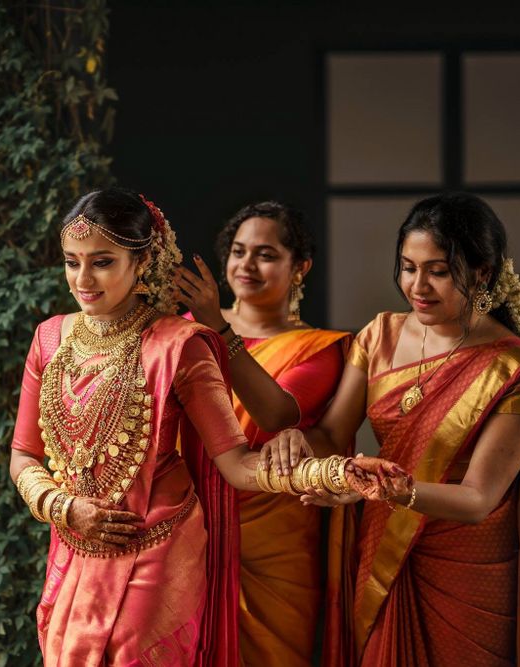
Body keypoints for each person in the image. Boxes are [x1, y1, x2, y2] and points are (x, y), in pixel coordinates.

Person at [8, 187, 402, 666]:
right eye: (73, 262)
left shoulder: (181, 343)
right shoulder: (49, 337)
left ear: (142, 261)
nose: (83, 279)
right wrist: (63, 508)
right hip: (72, 549)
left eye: (103, 262)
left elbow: (237, 462)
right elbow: (24, 454)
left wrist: (332, 475)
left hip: (158, 548)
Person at [263, 192, 520, 666]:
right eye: (409, 267)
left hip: (469, 569)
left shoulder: (515, 372)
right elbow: (331, 434)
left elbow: (477, 499)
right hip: (386, 546)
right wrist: (296, 437)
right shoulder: (380, 335)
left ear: (482, 272)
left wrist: (379, 490)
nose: (418, 286)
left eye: (439, 271)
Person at [172, 201, 348, 666]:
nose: (246, 265)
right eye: (238, 251)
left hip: (275, 546)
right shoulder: (181, 334)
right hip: (186, 528)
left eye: (266, 254)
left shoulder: (321, 348)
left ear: (300, 267)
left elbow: (275, 414)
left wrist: (218, 328)